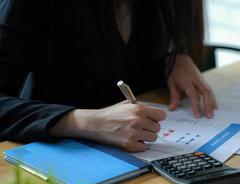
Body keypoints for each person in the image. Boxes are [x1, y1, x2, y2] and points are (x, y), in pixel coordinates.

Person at [0, 0, 217, 151]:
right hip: (53, 161)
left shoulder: (161, 6)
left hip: (131, 161)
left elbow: (113, 73)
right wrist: (86, 122)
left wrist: (172, 60)